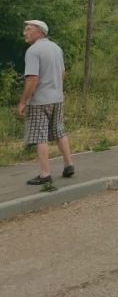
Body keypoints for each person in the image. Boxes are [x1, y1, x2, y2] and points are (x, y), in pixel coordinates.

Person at [17, 20, 75, 185]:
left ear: (39, 32)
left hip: (39, 101)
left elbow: (32, 79)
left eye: (28, 29)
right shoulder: (56, 48)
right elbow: (62, 73)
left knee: (39, 135)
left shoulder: (33, 51)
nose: (25, 33)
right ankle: (69, 164)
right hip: (57, 98)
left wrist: (23, 101)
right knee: (59, 131)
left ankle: (45, 174)